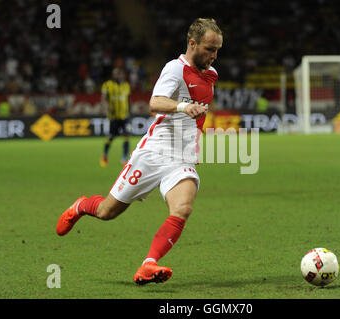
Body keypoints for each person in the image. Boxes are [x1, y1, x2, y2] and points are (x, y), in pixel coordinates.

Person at [56, 18, 223, 285]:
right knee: (107, 212)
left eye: (217, 50)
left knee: (182, 208)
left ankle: (149, 264)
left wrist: (196, 132)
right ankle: (80, 206)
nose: (213, 56)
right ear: (192, 43)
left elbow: (198, 111)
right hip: (154, 153)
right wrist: (183, 107)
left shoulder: (211, 75)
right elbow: (154, 103)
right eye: (208, 49)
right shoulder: (175, 70)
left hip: (182, 158)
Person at [100, 68, 132, 167]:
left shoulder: (126, 85)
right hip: (113, 117)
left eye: (120, 74)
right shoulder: (107, 85)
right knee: (111, 137)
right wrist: (106, 109)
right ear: (113, 75)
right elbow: (104, 99)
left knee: (126, 136)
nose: (119, 76)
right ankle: (104, 155)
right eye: (117, 74)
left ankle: (124, 158)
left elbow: (128, 99)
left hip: (125, 116)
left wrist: (130, 112)